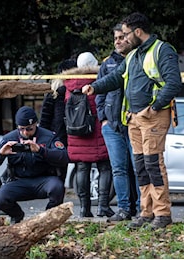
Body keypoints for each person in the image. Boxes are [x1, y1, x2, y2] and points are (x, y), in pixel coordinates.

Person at [82, 12, 182, 229]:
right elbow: (117, 77)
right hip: (134, 119)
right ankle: (146, 213)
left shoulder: (162, 50)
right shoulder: (133, 55)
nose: (123, 39)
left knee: (153, 164)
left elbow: (173, 83)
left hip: (153, 116)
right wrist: (95, 87)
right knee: (140, 167)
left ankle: (162, 214)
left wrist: (154, 108)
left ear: (138, 32)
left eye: (126, 34)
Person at [0, 106, 69, 224]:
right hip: (19, 181)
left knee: (57, 187)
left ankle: (47, 219)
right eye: (21, 129)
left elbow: (63, 157)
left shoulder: (48, 136)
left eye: (29, 129)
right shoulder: (10, 138)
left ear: (36, 124)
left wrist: (41, 150)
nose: (25, 132)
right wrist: (0, 154)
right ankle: (17, 216)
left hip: (43, 180)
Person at [96, 24, 140, 222]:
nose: (118, 41)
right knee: (119, 169)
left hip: (134, 123)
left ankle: (143, 209)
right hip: (112, 125)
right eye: (115, 38)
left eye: (122, 37)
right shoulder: (107, 64)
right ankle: (124, 210)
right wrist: (102, 119)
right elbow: (100, 91)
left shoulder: (139, 59)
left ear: (130, 37)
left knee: (139, 168)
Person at [63, 52, 114, 218]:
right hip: (98, 130)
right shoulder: (99, 80)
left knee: (82, 167)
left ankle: (84, 208)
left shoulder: (69, 84)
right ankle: (103, 205)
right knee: (105, 167)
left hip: (77, 132)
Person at [39, 58, 77, 182]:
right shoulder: (54, 93)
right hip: (57, 140)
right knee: (57, 173)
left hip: (69, 138)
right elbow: (45, 118)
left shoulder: (76, 91)